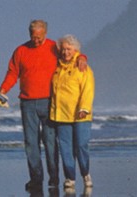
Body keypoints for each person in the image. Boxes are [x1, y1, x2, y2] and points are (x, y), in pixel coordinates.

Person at [0, 20, 87, 191]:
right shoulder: (21, 51)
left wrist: (83, 57)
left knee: (50, 142)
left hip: (49, 102)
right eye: (33, 37)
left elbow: (72, 54)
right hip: (27, 102)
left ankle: (53, 178)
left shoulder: (55, 47)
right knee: (31, 143)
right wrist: (3, 90)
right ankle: (36, 179)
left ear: (45, 33)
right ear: (29, 33)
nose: (36, 40)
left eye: (39, 37)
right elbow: (12, 73)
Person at [50, 34, 95, 189]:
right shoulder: (56, 67)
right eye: (63, 49)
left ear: (75, 49)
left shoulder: (82, 66)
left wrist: (84, 108)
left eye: (69, 49)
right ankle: (70, 177)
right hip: (61, 115)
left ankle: (85, 173)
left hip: (80, 115)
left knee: (81, 145)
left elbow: (87, 90)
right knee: (65, 148)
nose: (65, 52)